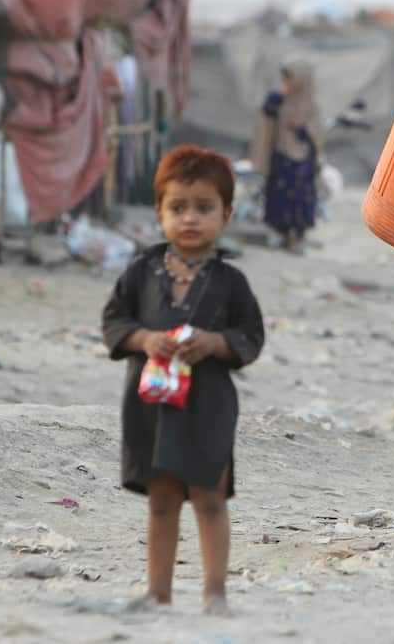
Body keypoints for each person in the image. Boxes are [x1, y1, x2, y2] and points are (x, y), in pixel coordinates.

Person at [101, 145, 265, 614]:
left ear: (226, 215)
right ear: (159, 213)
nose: (190, 218)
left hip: (209, 403)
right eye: (178, 207)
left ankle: (215, 593)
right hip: (150, 402)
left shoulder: (231, 282)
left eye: (204, 208)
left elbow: (250, 335)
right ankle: (159, 592)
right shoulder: (141, 271)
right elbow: (114, 322)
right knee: (161, 500)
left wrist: (216, 344)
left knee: (209, 497)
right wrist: (145, 338)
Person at [250, 60, 324, 253]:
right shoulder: (280, 99)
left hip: (301, 161)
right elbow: (267, 112)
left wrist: (299, 129)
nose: (287, 82)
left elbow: (315, 135)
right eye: (286, 78)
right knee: (278, 195)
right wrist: (277, 96)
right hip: (281, 155)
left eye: (291, 78)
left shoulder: (311, 105)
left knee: (299, 198)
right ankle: (280, 234)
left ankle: (297, 236)